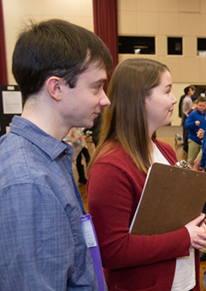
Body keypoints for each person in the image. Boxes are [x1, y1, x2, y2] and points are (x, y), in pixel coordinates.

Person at [0, 19, 112, 290]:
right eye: (96, 87)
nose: (105, 99)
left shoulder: (47, 157)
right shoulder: (29, 181)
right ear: (56, 88)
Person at [87, 58, 206, 291]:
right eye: (167, 91)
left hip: (184, 281)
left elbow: (177, 216)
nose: (175, 99)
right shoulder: (111, 166)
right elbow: (112, 250)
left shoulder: (163, 150)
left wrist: (199, 228)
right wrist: (185, 238)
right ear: (140, 100)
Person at [184, 96, 206, 168]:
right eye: (200, 105)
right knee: (191, 162)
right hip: (193, 140)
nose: (202, 107)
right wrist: (194, 124)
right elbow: (186, 125)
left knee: (202, 163)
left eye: (203, 106)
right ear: (197, 105)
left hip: (204, 141)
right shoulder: (192, 114)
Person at [181, 86, 195, 153]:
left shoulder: (187, 98)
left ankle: (186, 147)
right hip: (188, 116)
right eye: (190, 90)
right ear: (188, 92)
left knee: (186, 132)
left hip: (187, 116)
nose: (192, 91)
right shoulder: (188, 99)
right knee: (187, 132)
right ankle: (186, 147)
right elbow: (186, 110)